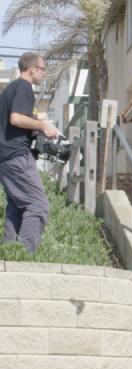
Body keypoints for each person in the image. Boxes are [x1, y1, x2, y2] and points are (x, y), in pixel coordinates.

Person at [0, 52, 59, 253]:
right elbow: (16, 118)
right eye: (42, 69)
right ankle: (25, 257)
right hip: (17, 157)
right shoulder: (24, 87)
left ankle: (7, 256)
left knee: (17, 208)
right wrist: (42, 125)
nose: (44, 73)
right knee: (38, 205)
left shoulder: (9, 90)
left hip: (5, 159)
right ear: (32, 68)